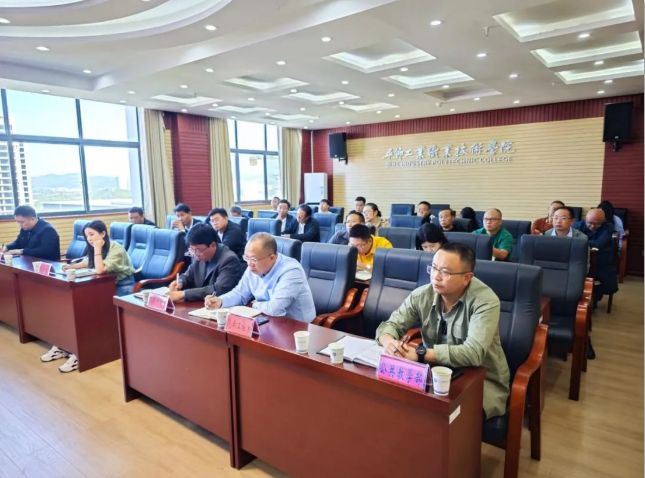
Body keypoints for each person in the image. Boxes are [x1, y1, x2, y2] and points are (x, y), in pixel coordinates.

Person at [376, 243, 510, 420]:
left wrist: (421, 354)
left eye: (445, 272)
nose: (435, 277)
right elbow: (392, 324)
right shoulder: (422, 295)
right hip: (433, 373)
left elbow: (474, 353)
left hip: (480, 379)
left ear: (466, 278)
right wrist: (389, 341)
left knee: (444, 420)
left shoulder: (485, 302)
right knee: (392, 404)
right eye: (433, 268)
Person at [53, 220, 135, 372]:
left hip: (122, 285)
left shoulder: (116, 248)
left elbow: (100, 270)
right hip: (103, 285)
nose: (89, 239)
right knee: (83, 307)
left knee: (97, 313)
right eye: (87, 236)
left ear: (103, 234)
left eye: (92, 234)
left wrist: (97, 248)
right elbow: (87, 261)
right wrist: (71, 266)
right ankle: (70, 346)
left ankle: (89, 350)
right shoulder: (96, 247)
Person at [204, 233, 316, 322]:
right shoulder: (253, 266)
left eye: (253, 259)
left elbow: (274, 309)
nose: (249, 264)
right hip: (265, 319)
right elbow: (240, 294)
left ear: (271, 258)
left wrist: (254, 304)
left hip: (296, 327)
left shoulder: (291, 271)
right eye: (246, 258)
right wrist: (220, 301)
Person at [168, 223, 242, 303]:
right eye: (192, 249)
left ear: (213, 245)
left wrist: (184, 294)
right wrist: (180, 282)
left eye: (198, 250)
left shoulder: (229, 260)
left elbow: (218, 289)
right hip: (200, 303)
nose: (195, 254)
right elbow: (188, 275)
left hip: (219, 305)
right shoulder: (197, 254)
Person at [574, 208, 618, 306]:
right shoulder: (578, 225)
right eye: (589, 223)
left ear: (603, 221)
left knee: (611, 287)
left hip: (602, 262)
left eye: (597, 224)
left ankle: (595, 295)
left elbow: (599, 244)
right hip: (581, 262)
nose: (592, 226)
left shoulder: (608, 226)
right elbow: (570, 241)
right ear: (585, 219)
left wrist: (580, 242)